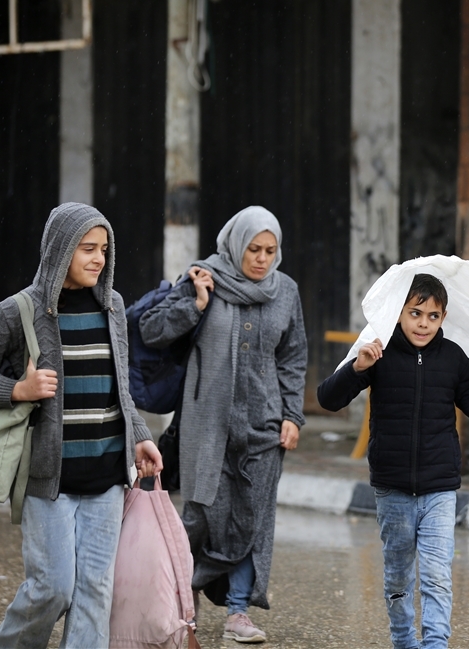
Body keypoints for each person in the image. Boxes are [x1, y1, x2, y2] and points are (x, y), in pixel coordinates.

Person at [0, 202, 162, 649]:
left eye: (103, 249)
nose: (99, 259)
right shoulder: (19, 310)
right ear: (60, 249)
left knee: (94, 593)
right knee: (53, 587)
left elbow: (119, 386)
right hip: (47, 481)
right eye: (87, 248)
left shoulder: (113, 306)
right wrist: (19, 390)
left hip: (107, 478)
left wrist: (140, 437)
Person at [317, 273, 469, 649]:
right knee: (397, 577)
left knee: (437, 575)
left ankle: (436, 644)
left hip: (440, 488)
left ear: (443, 318)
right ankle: (404, 642)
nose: (423, 323)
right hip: (392, 488)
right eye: (415, 313)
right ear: (398, 313)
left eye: (433, 315)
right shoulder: (378, 352)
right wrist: (357, 367)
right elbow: (327, 398)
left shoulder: (453, 357)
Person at [139, 206, 307, 642]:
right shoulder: (203, 278)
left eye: (270, 250)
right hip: (206, 420)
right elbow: (153, 331)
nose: (262, 259)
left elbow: (292, 357)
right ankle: (182, 592)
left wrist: (292, 415)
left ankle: (238, 611)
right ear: (236, 244)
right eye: (254, 249)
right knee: (201, 513)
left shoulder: (285, 291)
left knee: (252, 518)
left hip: (264, 425)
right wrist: (195, 304)